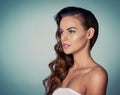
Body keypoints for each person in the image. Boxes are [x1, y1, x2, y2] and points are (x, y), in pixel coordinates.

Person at [43, 6, 108, 95]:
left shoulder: (96, 75)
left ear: (89, 33)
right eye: (61, 32)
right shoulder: (63, 70)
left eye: (71, 31)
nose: (63, 38)